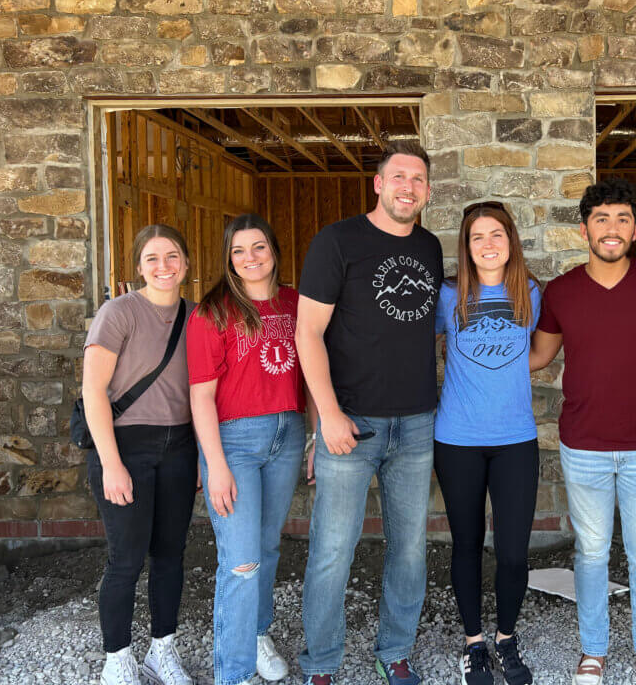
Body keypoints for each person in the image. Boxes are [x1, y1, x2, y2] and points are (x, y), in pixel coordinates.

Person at [296, 141, 443, 685]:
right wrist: (327, 416)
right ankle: (321, 664)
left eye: (418, 179)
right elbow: (307, 333)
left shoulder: (429, 247)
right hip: (351, 425)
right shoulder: (337, 241)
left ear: (427, 191)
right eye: (398, 176)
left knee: (409, 551)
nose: (408, 187)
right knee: (333, 551)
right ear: (378, 184)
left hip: (417, 424)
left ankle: (395, 651)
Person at [531, 178, 636, 685]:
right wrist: (475, 358)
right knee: (591, 555)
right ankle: (593, 651)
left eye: (621, 219)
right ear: (584, 230)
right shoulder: (562, 291)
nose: (611, 229)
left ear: (635, 230)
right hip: (584, 446)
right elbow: (539, 355)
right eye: (601, 219)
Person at [188, 213, 313, 685]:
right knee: (241, 561)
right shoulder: (213, 312)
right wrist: (215, 464)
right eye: (238, 250)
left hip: (288, 434)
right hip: (234, 443)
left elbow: (312, 373)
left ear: (274, 251)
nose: (250, 258)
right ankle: (234, 673)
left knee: (267, 546)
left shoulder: (295, 303)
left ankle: (258, 634)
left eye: (258, 247)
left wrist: (315, 437)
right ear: (228, 258)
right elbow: (201, 396)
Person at [82, 224, 197, 685]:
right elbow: (93, 390)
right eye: (152, 258)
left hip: (179, 448)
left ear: (186, 264)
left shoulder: (197, 317)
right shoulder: (118, 312)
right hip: (124, 447)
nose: (163, 266)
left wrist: (201, 457)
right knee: (126, 559)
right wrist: (111, 464)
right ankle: (117, 659)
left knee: (170, 555)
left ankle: (162, 651)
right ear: (138, 267)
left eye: (172, 256)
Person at [435, 202, 542, 685]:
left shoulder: (529, 293)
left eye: (496, 234)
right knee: (467, 543)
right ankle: (474, 642)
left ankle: (506, 637)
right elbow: (414, 346)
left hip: (516, 439)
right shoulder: (448, 295)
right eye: (477, 236)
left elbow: (539, 349)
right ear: (466, 245)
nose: (488, 244)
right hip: (457, 439)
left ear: (511, 239)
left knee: (514, 551)